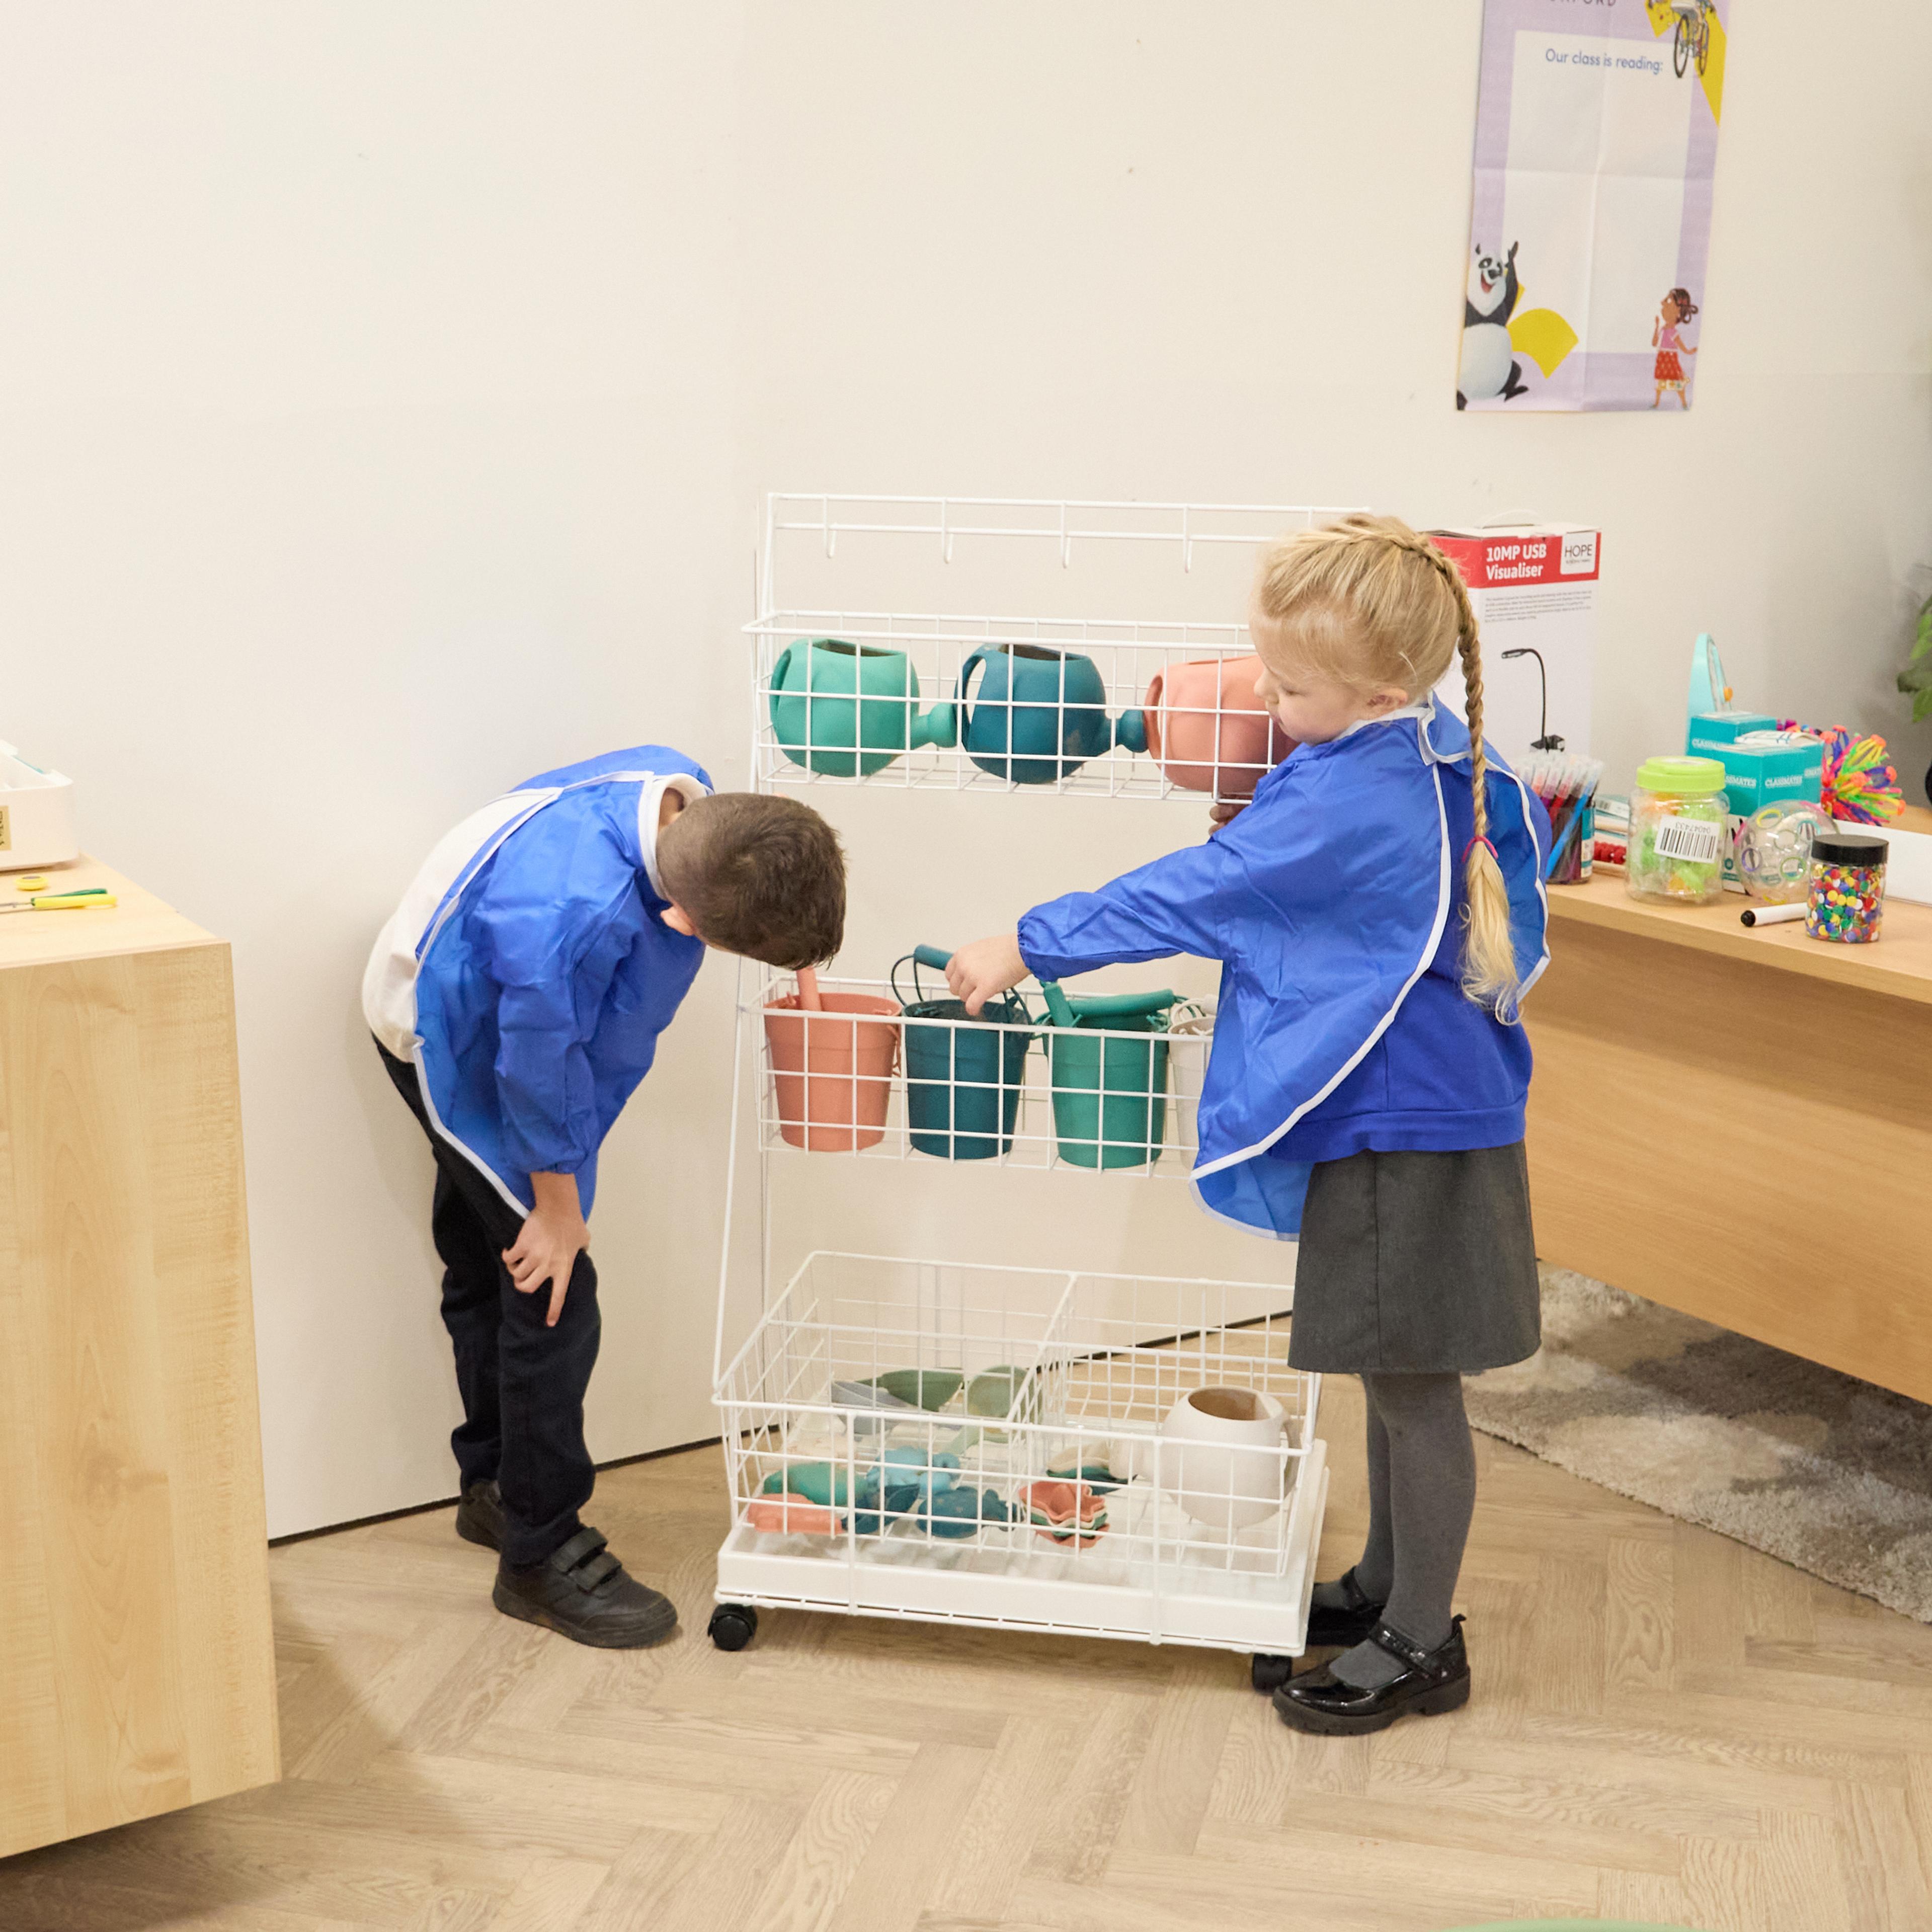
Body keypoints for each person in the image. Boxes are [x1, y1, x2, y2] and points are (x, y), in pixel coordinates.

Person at [945, 516, 1550, 1733]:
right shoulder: (1431, 742)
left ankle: (1422, 1641)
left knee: (1413, 1380)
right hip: (1419, 1100)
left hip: (1400, 1118)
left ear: (1379, 683)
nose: (1269, 703)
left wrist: (1026, 939)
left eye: (1288, 687)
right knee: (1392, 1368)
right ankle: (1389, 1585)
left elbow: (1204, 892)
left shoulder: (1358, 793)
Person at [362, 748, 843, 1648]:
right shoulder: (565, 927)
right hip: (450, 1034)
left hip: (495, 984)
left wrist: (800, 953)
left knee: (485, 1260)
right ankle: (539, 1552)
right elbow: (533, 1064)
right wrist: (556, 1209)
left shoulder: (677, 791)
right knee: (552, 1292)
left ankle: (496, 1490)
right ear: (681, 922)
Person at [1652, 287, 1700, 409]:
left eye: (1668, 302)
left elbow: (1682, 347)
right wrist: (1657, 327)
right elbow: (1654, 343)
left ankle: (1684, 403)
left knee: (1677, 384)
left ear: (1678, 310)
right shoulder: (1663, 329)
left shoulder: (1674, 333)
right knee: (1660, 384)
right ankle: (1657, 403)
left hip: (1670, 360)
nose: (1663, 304)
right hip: (1662, 359)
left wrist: (1690, 352)